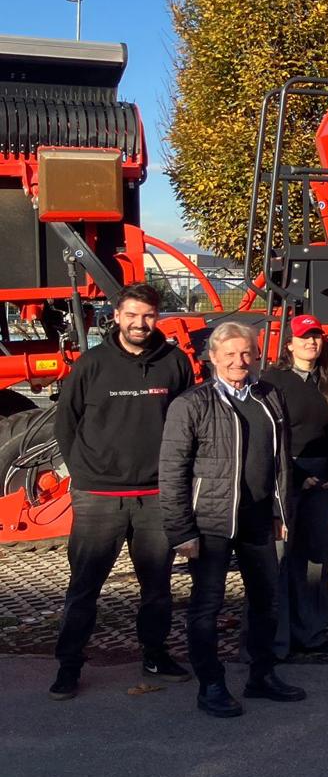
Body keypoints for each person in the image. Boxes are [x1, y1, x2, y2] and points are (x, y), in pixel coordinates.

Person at [50, 283, 193, 701]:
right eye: (131, 314)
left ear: (157, 317)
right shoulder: (92, 364)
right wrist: (85, 473)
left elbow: (187, 422)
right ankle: (69, 665)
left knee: (158, 588)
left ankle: (155, 656)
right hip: (99, 498)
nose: (139, 323)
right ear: (116, 315)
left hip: (156, 495)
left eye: (147, 315)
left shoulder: (175, 362)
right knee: (84, 587)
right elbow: (66, 422)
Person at [160, 322, 304, 717]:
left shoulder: (269, 395)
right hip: (211, 524)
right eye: (230, 354)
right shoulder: (191, 404)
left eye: (246, 353)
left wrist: (281, 511)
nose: (239, 361)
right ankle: (211, 685)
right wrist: (181, 531)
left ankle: (262, 675)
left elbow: (281, 460)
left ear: (256, 356)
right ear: (213, 358)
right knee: (207, 606)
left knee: (266, 602)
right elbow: (172, 472)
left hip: (259, 519)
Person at [260, 313, 328, 658]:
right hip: (286, 476)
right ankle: (276, 639)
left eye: (316, 336)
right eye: (304, 337)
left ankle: (312, 632)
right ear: (289, 344)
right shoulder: (273, 382)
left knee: (314, 560)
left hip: (322, 479)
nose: (311, 342)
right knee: (280, 558)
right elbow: (268, 436)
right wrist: (293, 473)